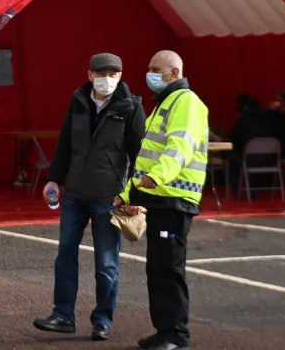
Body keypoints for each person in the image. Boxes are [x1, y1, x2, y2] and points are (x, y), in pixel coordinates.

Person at [33, 53, 146, 342]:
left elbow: (139, 155)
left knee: (106, 263)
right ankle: (62, 316)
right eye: (102, 72)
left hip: (110, 197)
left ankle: (103, 320)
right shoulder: (78, 101)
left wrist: (131, 194)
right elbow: (65, 143)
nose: (107, 78)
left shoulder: (131, 106)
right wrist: (54, 179)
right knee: (65, 255)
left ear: (120, 75)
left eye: (113, 73)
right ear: (90, 74)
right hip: (75, 194)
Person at [115, 50, 208, 350]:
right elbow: (146, 159)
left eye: (156, 69)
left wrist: (159, 177)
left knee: (168, 268)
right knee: (158, 268)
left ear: (175, 72)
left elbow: (179, 147)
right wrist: (127, 194)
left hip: (174, 198)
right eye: (149, 68)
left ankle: (175, 336)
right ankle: (166, 331)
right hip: (161, 199)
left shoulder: (186, 103)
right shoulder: (165, 104)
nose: (150, 74)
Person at [227, 93, 273, 197]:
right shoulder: (268, 119)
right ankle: (255, 190)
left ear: (244, 107)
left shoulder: (241, 120)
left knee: (230, 158)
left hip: (248, 158)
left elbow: (235, 140)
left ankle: (237, 191)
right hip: (268, 158)